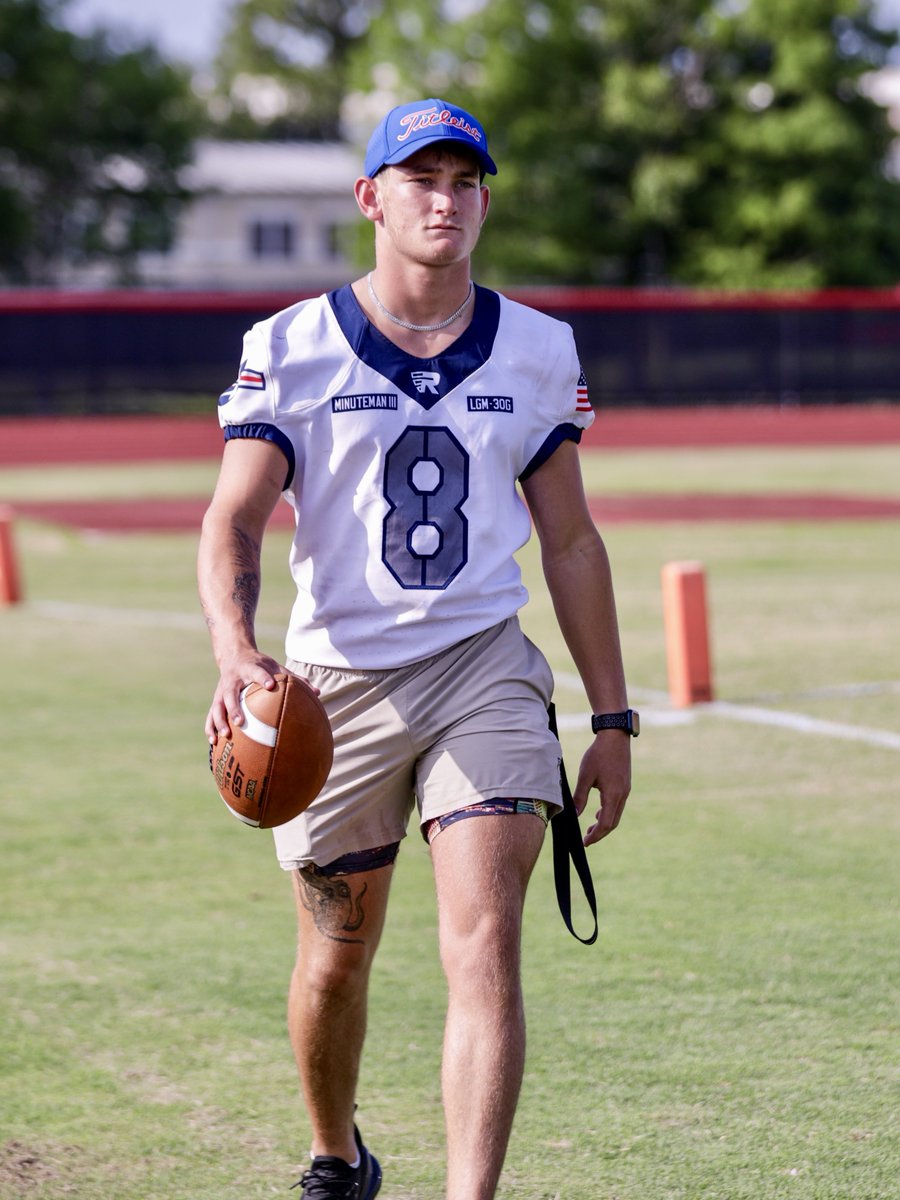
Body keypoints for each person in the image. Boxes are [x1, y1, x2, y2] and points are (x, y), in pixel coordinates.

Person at [197, 97, 634, 1200]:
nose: (446, 201)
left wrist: (614, 718)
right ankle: (337, 1155)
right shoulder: (288, 346)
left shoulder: (537, 347)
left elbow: (572, 542)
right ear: (371, 199)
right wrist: (235, 652)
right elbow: (233, 521)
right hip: (332, 682)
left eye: (466, 181)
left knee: (484, 948)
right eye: (422, 180)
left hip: (482, 667)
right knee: (336, 959)